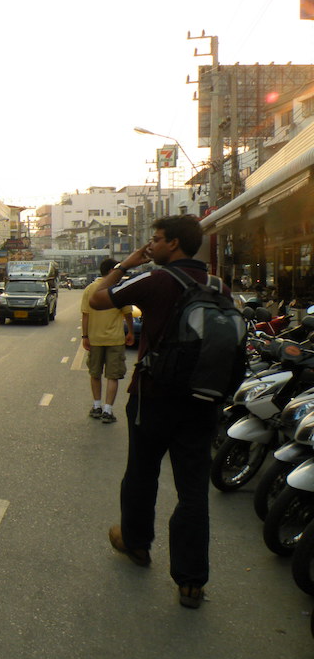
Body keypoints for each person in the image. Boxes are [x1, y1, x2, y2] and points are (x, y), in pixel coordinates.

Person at [89, 214, 226, 610]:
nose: (152, 245)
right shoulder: (219, 286)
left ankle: (135, 543)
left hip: (155, 397)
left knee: (142, 472)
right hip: (204, 400)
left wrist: (125, 265)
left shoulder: (156, 279)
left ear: (175, 245)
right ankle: (191, 581)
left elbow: (99, 298)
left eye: (157, 239)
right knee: (193, 491)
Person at [80, 258, 134, 423]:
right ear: (112, 271)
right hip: (115, 340)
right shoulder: (118, 289)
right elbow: (128, 313)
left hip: (95, 339)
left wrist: (85, 336)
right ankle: (107, 410)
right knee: (113, 376)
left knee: (94, 373)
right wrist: (130, 332)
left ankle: (96, 406)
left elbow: (85, 315)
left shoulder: (90, 289)